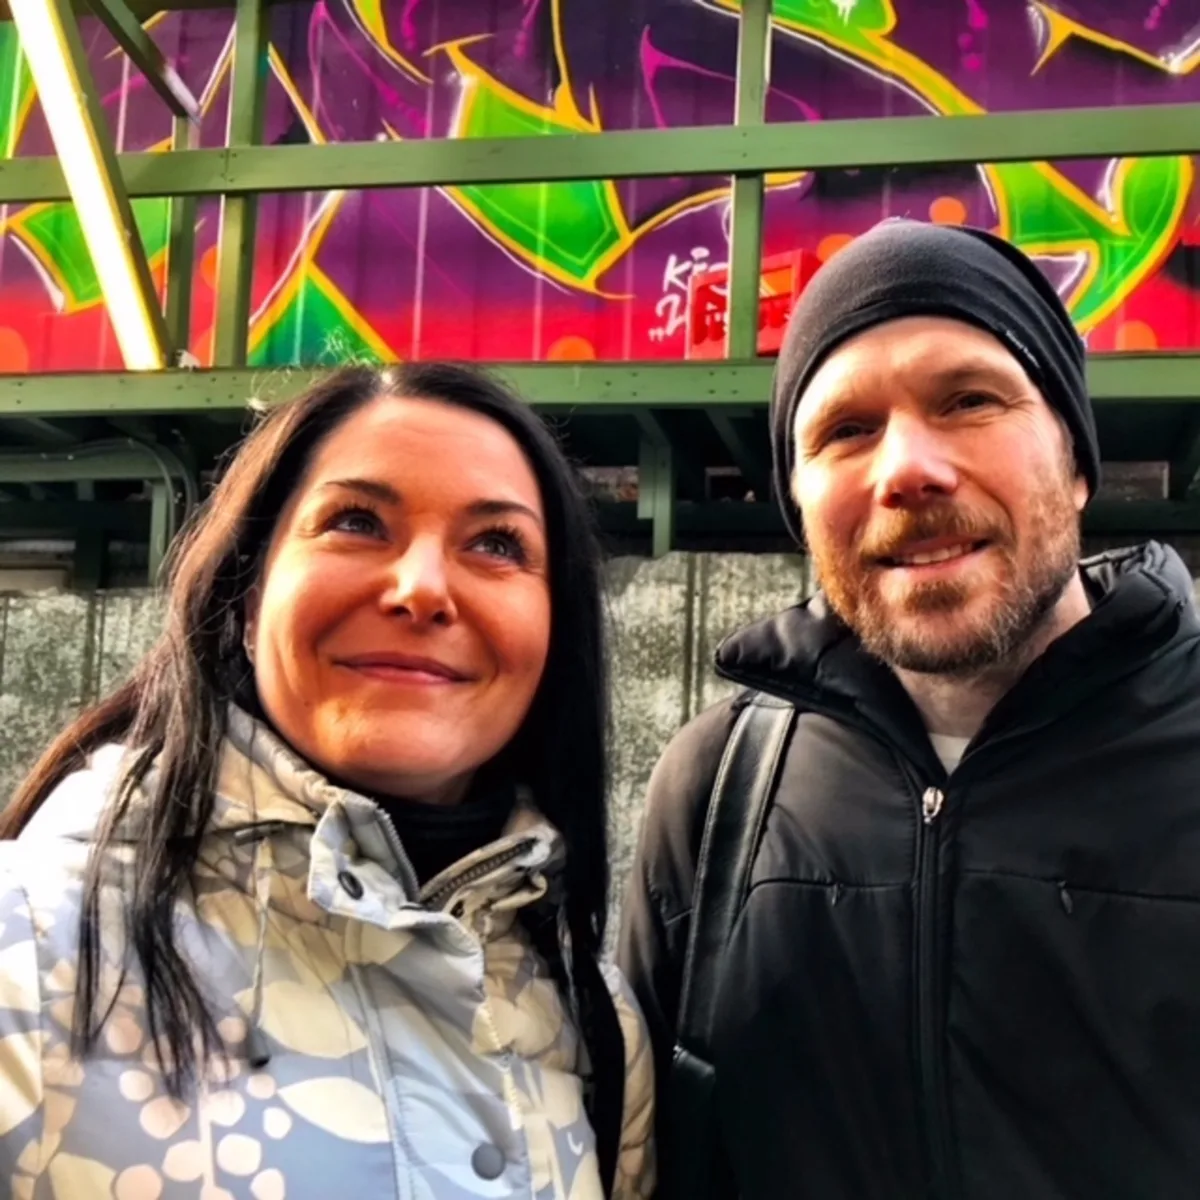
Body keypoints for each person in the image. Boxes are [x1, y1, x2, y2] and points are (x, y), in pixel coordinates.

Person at [619, 218, 1200, 1199]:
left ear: (1076, 461)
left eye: (969, 399)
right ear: (799, 501)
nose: (906, 470)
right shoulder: (715, 791)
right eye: (846, 430)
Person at [0, 363, 654, 1199]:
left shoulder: (595, 1016)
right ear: (246, 598)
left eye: (496, 544)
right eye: (356, 522)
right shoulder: (29, 951)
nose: (421, 589)